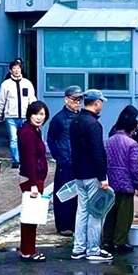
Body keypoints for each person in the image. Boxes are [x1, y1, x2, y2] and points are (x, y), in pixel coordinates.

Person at [69, 90, 112, 263]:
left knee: (82, 211)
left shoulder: (75, 121)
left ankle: (78, 248)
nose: (102, 105)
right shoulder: (93, 124)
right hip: (93, 174)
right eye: (102, 102)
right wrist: (103, 177)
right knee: (96, 212)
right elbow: (98, 152)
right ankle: (93, 249)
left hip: (79, 173)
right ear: (96, 103)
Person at [103, 111, 138, 254]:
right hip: (126, 183)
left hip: (110, 182)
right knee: (124, 215)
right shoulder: (132, 144)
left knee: (110, 213)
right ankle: (120, 242)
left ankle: (107, 239)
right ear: (132, 129)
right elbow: (134, 167)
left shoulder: (109, 141)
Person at [47, 86, 84, 237]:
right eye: (75, 99)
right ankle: (63, 225)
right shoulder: (59, 119)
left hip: (79, 162)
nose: (77, 103)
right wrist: (59, 158)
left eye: (80, 99)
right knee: (64, 194)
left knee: (78, 194)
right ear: (66, 99)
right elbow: (51, 139)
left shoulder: (81, 116)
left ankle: (74, 223)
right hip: (65, 162)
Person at [16, 101, 51, 262]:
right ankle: (28, 251)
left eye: (42, 114)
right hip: (32, 179)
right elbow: (28, 159)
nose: (39, 117)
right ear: (29, 114)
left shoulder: (34, 130)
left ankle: (29, 248)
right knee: (31, 216)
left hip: (35, 178)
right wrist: (33, 184)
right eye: (36, 114)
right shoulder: (28, 133)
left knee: (33, 216)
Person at [0, 60, 36, 166]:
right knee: (13, 139)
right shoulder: (6, 84)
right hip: (10, 116)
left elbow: (31, 98)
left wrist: (34, 111)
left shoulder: (27, 83)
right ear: (10, 70)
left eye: (18, 68)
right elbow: (1, 100)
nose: (16, 70)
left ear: (21, 69)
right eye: (14, 68)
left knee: (25, 138)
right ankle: (16, 160)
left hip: (25, 116)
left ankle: (25, 159)